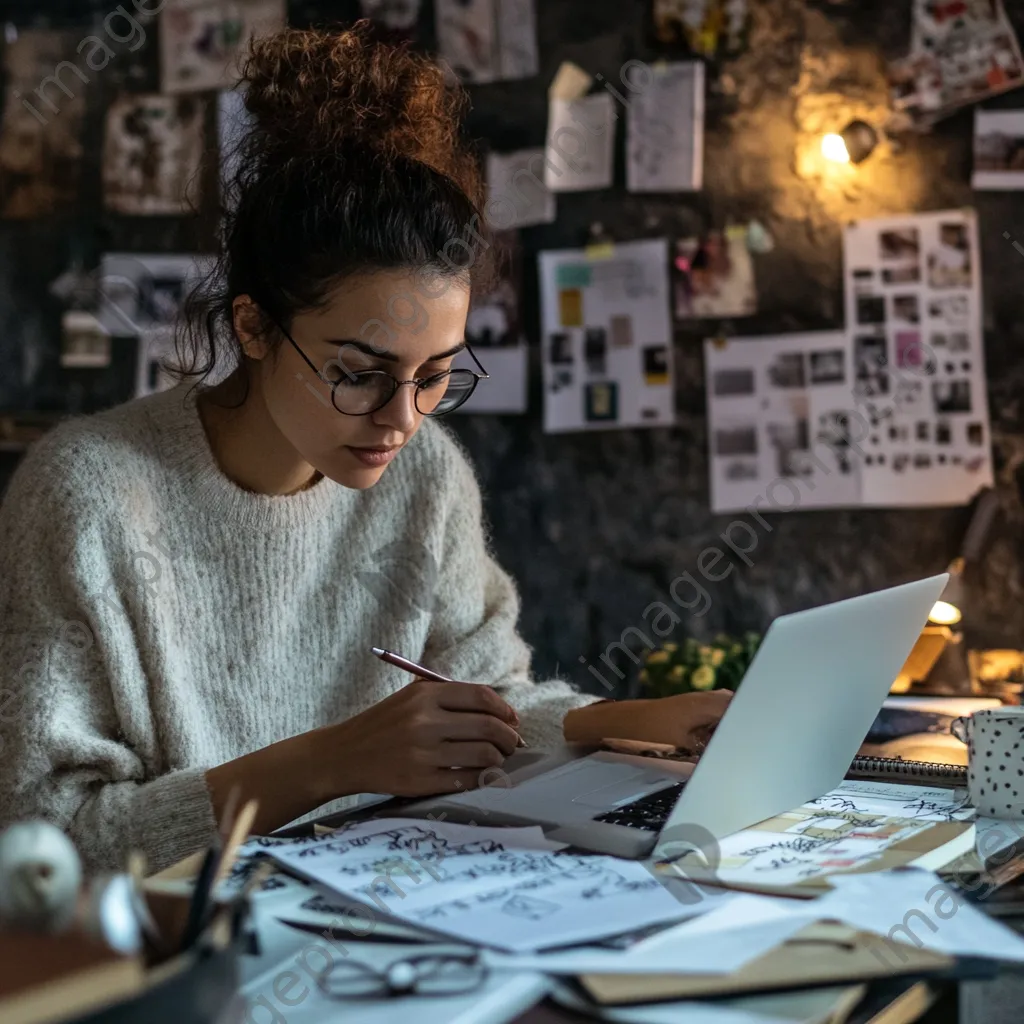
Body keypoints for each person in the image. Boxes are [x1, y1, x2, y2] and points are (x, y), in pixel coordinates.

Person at [0, 25, 730, 875]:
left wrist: (614, 722)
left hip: (387, 917)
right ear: (256, 326)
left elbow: (486, 700)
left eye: (436, 375)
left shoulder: (426, 478)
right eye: (358, 372)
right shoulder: (87, 496)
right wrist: (327, 762)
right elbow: (45, 840)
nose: (403, 418)